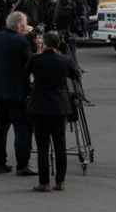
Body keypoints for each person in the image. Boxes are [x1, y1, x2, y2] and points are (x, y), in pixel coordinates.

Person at [27, 30, 80, 192]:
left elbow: (25, 75)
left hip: (40, 105)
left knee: (42, 146)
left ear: (44, 43)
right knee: (60, 144)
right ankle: (60, 181)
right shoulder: (65, 60)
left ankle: (44, 182)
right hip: (60, 105)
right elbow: (76, 75)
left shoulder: (35, 59)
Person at [0, 10, 35, 175]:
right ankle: (22, 165)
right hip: (17, 91)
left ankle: (0, 164)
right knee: (22, 128)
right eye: (25, 24)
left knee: (1, 128)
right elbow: (30, 63)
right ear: (20, 25)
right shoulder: (21, 41)